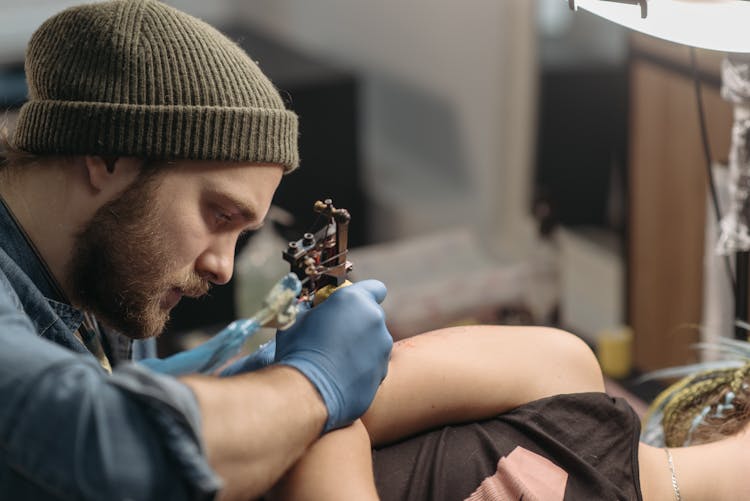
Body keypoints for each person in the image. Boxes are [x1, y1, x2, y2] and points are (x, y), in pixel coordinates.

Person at [1, 1, 745, 500]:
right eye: (217, 213)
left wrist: (234, 366)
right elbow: (97, 433)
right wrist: (312, 383)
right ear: (104, 156)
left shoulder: (92, 285)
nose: (224, 267)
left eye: (243, 231)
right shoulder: (566, 376)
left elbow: (134, 402)